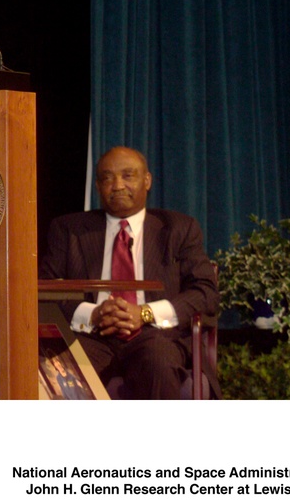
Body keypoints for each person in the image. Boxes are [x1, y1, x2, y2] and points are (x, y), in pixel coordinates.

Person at [40, 146, 219, 399]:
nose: (117, 185)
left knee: (158, 362)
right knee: (53, 371)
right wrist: (93, 314)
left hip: (155, 336)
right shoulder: (68, 230)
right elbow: (45, 294)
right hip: (91, 337)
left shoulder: (178, 228)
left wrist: (144, 313)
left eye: (127, 175)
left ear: (147, 180)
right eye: (107, 178)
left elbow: (206, 293)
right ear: (97, 186)